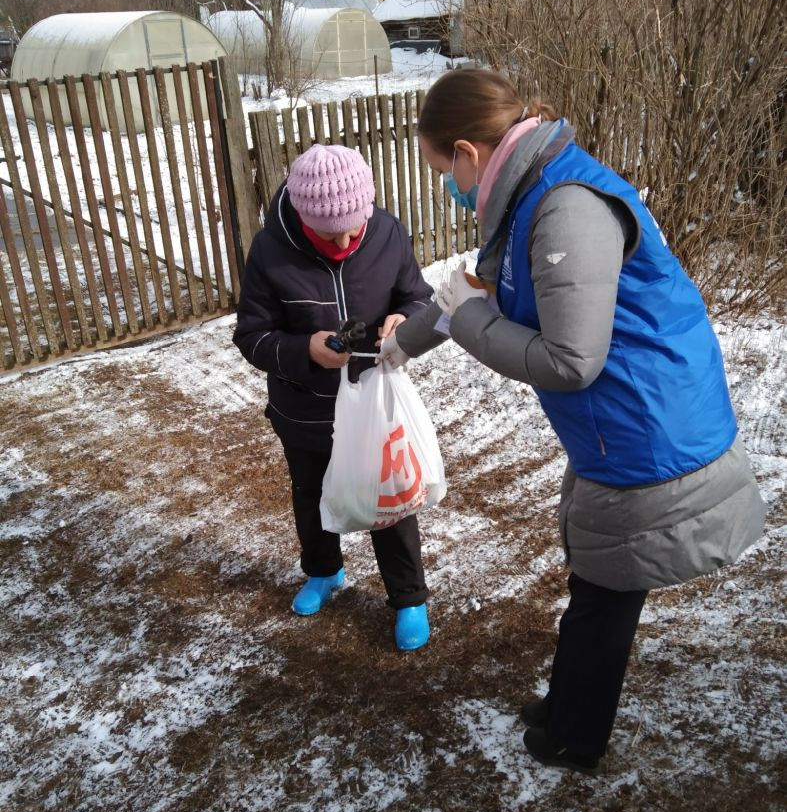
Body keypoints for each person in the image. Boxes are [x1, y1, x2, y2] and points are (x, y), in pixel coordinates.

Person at [379, 70, 766, 770]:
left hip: (647, 425)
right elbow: (471, 289)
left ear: (468, 152)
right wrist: (399, 346)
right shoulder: (529, 196)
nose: (448, 187)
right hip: (624, 419)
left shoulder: (563, 207)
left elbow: (568, 361)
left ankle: (574, 734)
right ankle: (568, 708)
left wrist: (469, 322)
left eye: (443, 170)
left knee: (604, 594)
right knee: (600, 586)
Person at [234, 144, 434, 651]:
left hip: (373, 405)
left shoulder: (387, 232)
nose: (345, 241)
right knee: (311, 493)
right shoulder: (270, 251)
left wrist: (405, 319)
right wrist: (304, 350)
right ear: (302, 216)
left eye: (354, 227)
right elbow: (252, 336)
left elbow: (417, 296)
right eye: (329, 232)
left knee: (390, 502)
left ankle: (408, 596)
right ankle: (323, 571)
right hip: (304, 407)